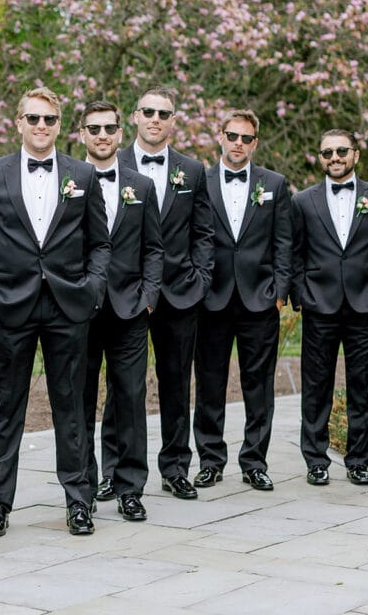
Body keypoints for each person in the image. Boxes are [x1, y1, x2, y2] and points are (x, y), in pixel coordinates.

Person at [0, 86, 110, 538]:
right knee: (6, 407)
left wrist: (91, 289)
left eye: (49, 119)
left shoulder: (82, 175)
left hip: (68, 306)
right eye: (33, 119)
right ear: (18, 123)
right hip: (11, 305)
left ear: (59, 124)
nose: (41, 127)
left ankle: (78, 500)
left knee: (71, 407)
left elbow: (100, 243)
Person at [102, 88, 213, 502]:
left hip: (180, 292)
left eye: (163, 113)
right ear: (134, 117)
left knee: (176, 381)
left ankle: (176, 467)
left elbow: (203, 231)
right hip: (125, 293)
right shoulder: (113, 162)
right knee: (121, 386)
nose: (155, 118)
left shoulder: (192, 170)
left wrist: (200, 279)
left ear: (173, 121)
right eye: (148, 111)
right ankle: (112, 471)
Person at [291, 129, 368, 486]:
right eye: (327, 153)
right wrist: (301, 295)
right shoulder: (303, 202)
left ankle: (358, 461)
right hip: (318, 306)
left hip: (364, 307)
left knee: (362, 387)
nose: (334, 158)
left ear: (355, 154)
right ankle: (316, 461)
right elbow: (295, 253)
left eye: (341, 151)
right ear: (320, 158)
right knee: (316, 386)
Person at [192, 110, 292, 492]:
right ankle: (210, 461)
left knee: (259, 385)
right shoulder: (200, 180)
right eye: (232, 135)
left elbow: (284, 241)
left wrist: (279, 292)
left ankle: (254, 461)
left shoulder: (274, 184)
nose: (238, 143)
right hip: (211, 299)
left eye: (246, 138)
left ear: (255, 143)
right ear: (220, 136)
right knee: (210, 383)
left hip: (260, 300)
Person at [80, 100, 163, 522]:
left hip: (131, 308)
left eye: (109, 128)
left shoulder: (141, 185)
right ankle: (84, 486)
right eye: (94, 128)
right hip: (81, 311)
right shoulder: (68, 182)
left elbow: (154, 247)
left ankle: (131, 488)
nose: (102, 135)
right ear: (81, 135)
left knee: (130, 398)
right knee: (80, 399)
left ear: (118, 132)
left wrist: (149, 294)